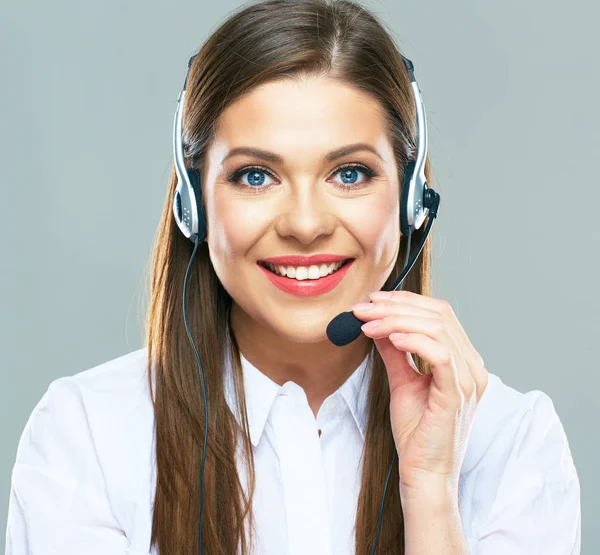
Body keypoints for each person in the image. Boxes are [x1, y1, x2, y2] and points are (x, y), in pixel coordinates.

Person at [5, 0, 581, 554]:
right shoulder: (87, 435)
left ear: (411, 201)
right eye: (256, 176)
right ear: (194, 205)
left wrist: (430, 489)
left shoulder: (512, 443)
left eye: (350, 173)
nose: (305, 225)